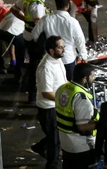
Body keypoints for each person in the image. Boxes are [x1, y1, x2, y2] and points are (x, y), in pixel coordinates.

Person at [32, 0, 88, 81]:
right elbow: (79, 40)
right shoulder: (72, 22)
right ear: (68, 5)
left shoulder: (46, 19)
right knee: (68, 86)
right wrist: (83, 56)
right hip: (68, 59)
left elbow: (34, 35)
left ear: (56, 4)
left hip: (51, 58)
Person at [11, 0, 50, 103]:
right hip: (36, 39)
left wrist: (25, 20)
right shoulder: (37, 4)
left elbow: (14, 9)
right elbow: (40, 24)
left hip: (27, 35)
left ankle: (27, 86)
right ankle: (32, 94)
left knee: (34, 63)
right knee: (36, 65)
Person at [55, 63, 99, 169]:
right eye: (92, 76)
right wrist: (102, 123)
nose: (94, 79)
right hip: (81, 147)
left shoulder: (62, 88)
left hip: (65, 142)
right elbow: (82, 127)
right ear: (84, 79)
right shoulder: (81, 98)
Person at [32, 36, 66, 169]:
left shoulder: (57, 60)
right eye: (60, 47)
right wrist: (65, 100)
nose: (63, 50)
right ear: (52, 51)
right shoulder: (46, 67)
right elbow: (47, 93)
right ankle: (52, 165)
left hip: (56, 105)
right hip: (49, 108)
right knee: (55, 141)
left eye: (63, 46)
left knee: (55, 135)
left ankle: (40, 147)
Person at [0, 6, 25, 82]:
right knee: (20, 53)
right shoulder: (33, 12)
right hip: (15, 32)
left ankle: (11, 63)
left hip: (2, 29)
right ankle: (17, 74)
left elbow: (4, 15)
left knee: (11, 43)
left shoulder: (16, 8)